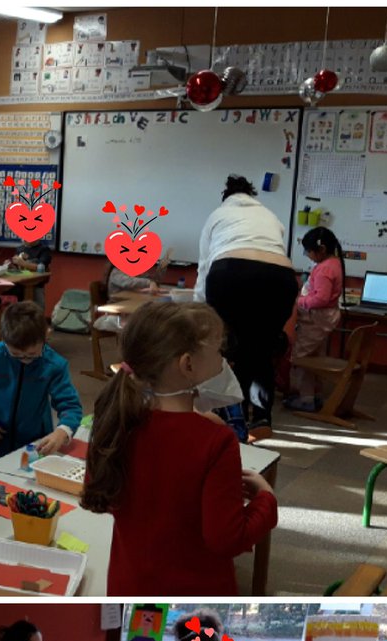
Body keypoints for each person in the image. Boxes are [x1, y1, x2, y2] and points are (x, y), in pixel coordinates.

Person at [81, 301, 278, 595]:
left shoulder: (119, 419)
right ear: (187, 365)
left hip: (129, 587)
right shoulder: (215, 441)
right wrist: (267, 499)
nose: (225, 360)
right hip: (194, 597)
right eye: (218, 352)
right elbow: (226, 539)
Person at [195, 175, 299, 439]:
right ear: (251, 196)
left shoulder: (218, 214)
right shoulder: (270, 216)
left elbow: (204, 266)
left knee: (226, 347)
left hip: (230, 273)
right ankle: (262, 418)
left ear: (226, 196)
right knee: (261, 349)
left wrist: (199, 315)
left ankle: (230, 416)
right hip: (281, 279)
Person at [0, 301, 82, 463]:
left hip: (33, 445)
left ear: (46, 336)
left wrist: (62, 432)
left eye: (31, 354)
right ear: (4, 340)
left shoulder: (54, 365)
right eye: (16, 354)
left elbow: (70, 406)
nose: (24, 360)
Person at [285, 226, 346, 413]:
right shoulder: (334, 262)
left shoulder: (325, 269)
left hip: (317, 319)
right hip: (324, 318)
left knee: (301, 357)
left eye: (309, 251)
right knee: (314, 356)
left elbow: (320, 298)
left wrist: (299, 300)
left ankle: (306, 399)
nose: (307, 255)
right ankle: (313, 394)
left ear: (321, 250)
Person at [93, 250, 171, 335]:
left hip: (128, 308)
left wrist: (161, 268)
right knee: (145, 323)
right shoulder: (116, 273)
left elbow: (151, 280)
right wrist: (148, 283)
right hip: (118, 311)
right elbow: (129, 282)